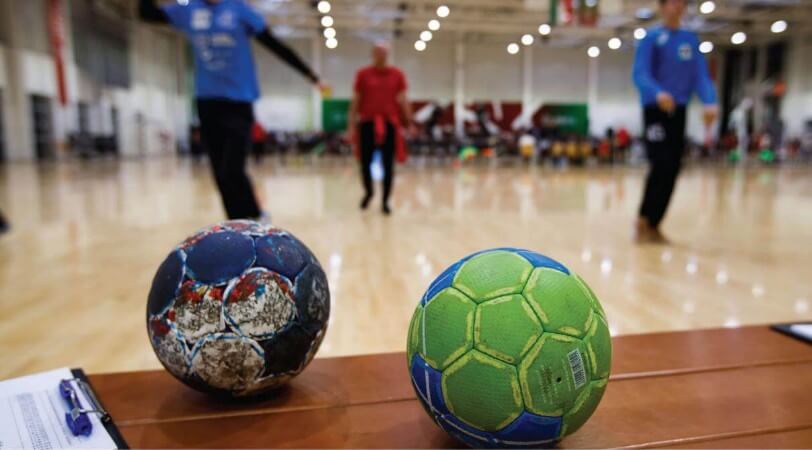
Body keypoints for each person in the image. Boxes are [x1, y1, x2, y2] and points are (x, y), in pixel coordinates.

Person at [139, 0, 322, 220]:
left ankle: (255, 217)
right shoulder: (189, 10)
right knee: (220, 174)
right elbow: (146, 13)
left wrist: (310, 75)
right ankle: (236, 222)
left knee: (232, 169)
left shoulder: (239, 10)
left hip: (239, 101)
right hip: (208, 101)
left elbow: (274, 44)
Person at [632, 0, 718, 243]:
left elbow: (701, 75)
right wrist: (657, 93)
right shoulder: (651, 38)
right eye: (672, 2)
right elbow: (640, 73)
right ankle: (643, 219)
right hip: (656, 110)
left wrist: (710, 101)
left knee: (673, 167)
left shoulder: (690, 40)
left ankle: (655, 223)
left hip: (678, 110)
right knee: (660, 163)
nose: (677, 6)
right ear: (662, 6)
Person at [347, 43, 411, 215]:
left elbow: (403, 99)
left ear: (387, 55)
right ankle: (369, 192)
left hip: (389, 124)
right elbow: (356, 99)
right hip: (367, 123)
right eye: (378, 52)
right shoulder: (363, 74)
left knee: (388, 164)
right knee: (365, 162)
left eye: (384, 53)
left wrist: (409, 121)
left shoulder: (397, 75)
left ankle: (385, 201)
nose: (381, 56)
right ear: (373, 54)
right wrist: (351, 125)